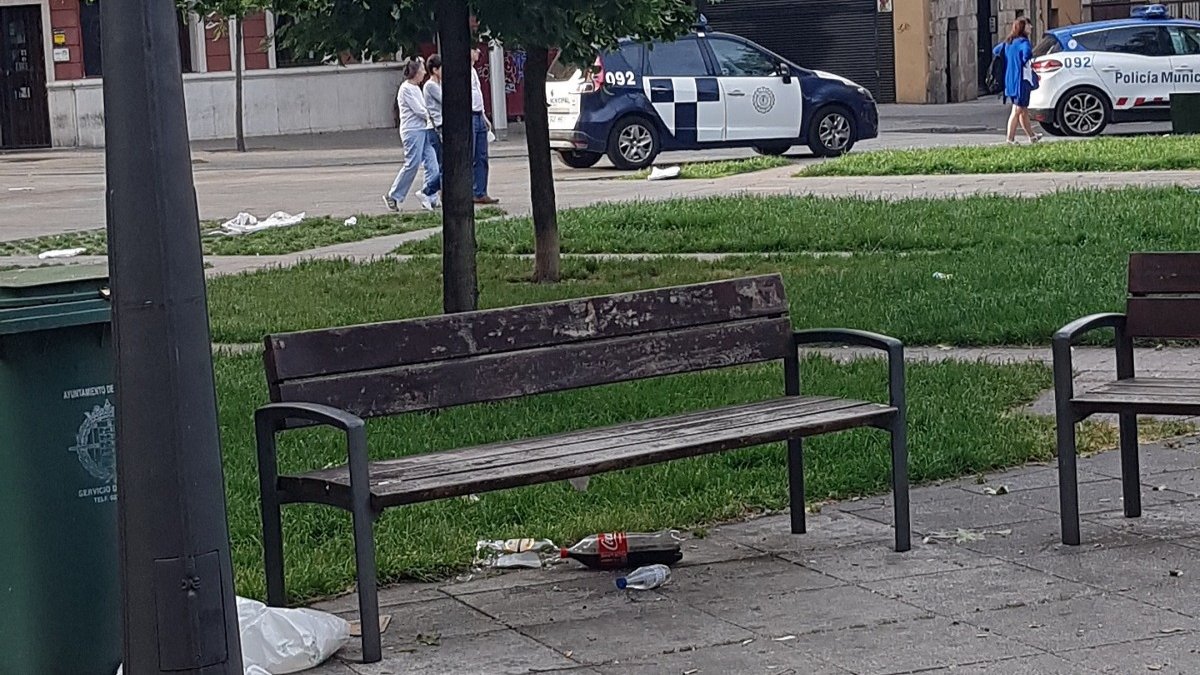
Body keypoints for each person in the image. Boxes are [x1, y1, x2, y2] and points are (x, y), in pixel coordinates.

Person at [384, 58, 441, 212]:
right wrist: (434, 115)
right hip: (412, 131)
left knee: (433, 163)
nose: (424, 72)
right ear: (415, 72)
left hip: (424, 129)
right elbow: (419, 110)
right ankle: (394, 195)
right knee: (412, 163)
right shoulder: (406, 88)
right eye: (422, 69)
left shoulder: (416, 88)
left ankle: (429, 196)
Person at [993, 18, 1042, 145]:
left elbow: (996, 50)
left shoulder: (1008, 42)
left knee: (1023, 110)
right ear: (1022, 28)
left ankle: (1032, 136)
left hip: (1010, 79)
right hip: (1021, 80)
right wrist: (1022, 60)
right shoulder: (1024, 42)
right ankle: (1010, 139)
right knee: (1016, 110)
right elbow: (1027, 54)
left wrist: (1010, 57)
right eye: (1028, 25)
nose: (1031, 27)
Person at [470, 47, 499, 205]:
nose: (478, 52)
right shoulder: (463, 72)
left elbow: (478, 96)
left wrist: (484, 116)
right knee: (471, 155)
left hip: (478, 116)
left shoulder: (474, 71)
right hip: (470, 116)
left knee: (482, 156)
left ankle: (480, 192)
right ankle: (469, 191)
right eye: (475, 50)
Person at [424, 54, 444, 168]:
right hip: (436, 126)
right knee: (440, 162)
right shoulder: (430, 85)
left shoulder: (438, 84)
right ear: (435, 70)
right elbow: (444, 99)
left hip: (440, 124)